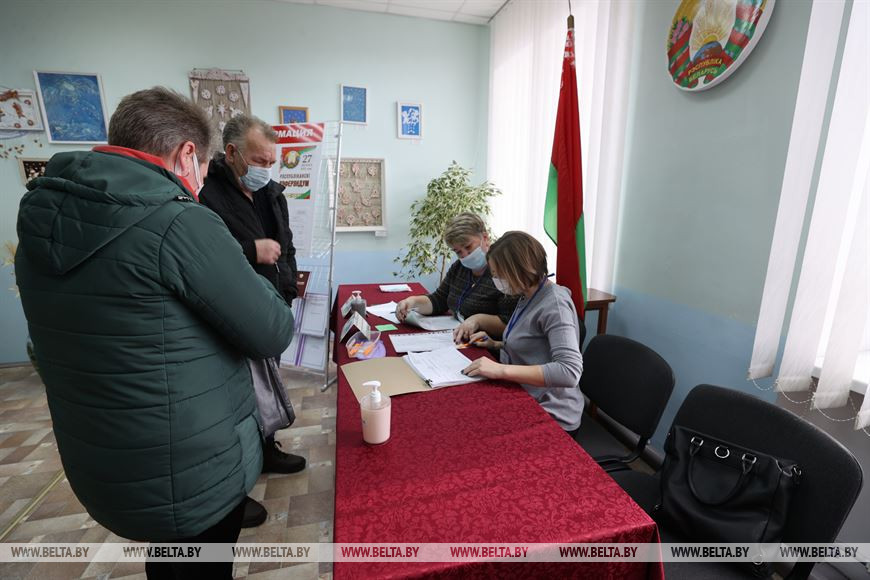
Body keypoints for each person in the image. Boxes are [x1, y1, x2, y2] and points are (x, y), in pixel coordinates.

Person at [15, 87, 295, 579]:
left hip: (105, 452)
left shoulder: (43, 218)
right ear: (187, 154)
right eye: (203, 165)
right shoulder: (178, 221)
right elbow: (272, 329)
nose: (202, 179)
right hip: (187, 462)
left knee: (168, 559)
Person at [199, 114, 306, 482]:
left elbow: (286, 247)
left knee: (268, 385)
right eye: (259, 161)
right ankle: (239, 465)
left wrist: (288, 291)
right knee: (238, 392)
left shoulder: (271, 193)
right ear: (232, 153)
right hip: (232, 312)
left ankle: (266, 448)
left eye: (271, 162)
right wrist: (250, 250)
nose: (266, 169)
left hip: (271, 308)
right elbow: (202, 255)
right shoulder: (204, 193)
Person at [461, 231, 584, 435]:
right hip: (524, 393)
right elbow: (536, 346)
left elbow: (569, 371)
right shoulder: (527, 294)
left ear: (519, 270)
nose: (496, 280)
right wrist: (496, 344)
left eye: (498, 275)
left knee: (479, 433)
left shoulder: (555, 305)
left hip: (553, 413)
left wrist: (501, 370)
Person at [395, 213, 518, 341]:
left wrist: (478, 320)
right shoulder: (459, 267)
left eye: (468, 247)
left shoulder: (503, 270)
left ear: (485, 238)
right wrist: (412, 302)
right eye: (458, 252)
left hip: (488, 345)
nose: (465, 255)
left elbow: (511, 323)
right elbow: (439, 300)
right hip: (458, 337)